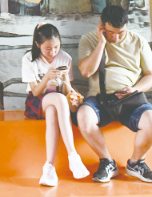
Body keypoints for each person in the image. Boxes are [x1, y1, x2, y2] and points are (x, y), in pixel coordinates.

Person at [75, 4, 152, 184]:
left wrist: (135, 89)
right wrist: (101, 43)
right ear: (101, 25)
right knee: (83, 115)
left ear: (127, 26)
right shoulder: (89, 39)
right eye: (110, 32)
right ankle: (107, 162)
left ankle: (136, 163)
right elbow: (86, 71)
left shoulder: (138, 41)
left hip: (131, 98)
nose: (115, 37)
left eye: (120, 33)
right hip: (100, 99)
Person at [23, 22, 89, 186]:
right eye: (48, 48)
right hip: (37, 100)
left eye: (56, 47)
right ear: (38, 45)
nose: (53, 52)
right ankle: (73, 155)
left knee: (54, 109)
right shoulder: (29, 59)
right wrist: (46, 77)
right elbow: (35, 92)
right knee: (58, 100)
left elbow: (67, 92)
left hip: (58, 103)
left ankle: (49, 169)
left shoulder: (65, 58)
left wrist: (65, 77)